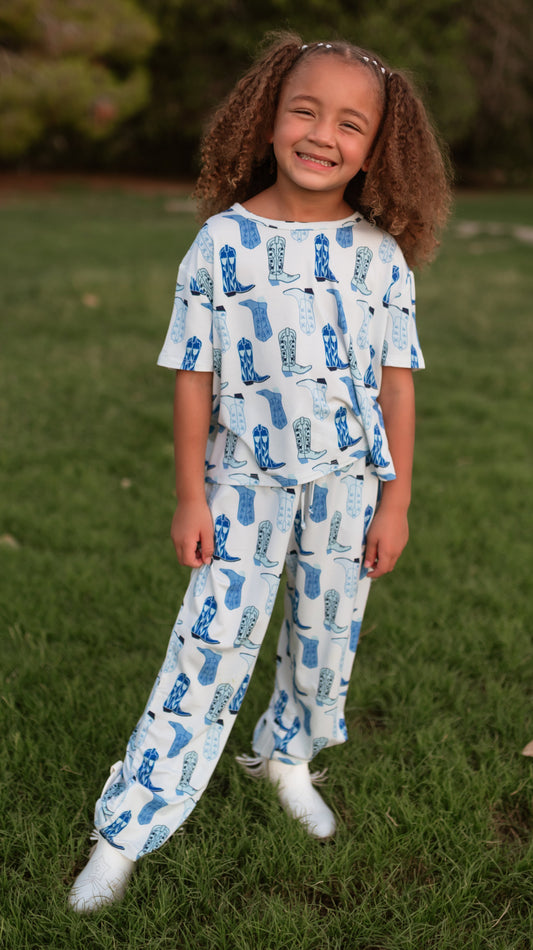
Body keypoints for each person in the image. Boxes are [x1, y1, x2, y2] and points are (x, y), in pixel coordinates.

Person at [68, 32, 451, 912]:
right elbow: (192, 377)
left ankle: (286, 756)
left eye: (350, 124)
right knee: (207, 649)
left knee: (323, 644)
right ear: (268, 118)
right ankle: (126, 826)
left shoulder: (378, 256)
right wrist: (191, 493)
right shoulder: (220, 245)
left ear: (377, 145)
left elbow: (397, 388)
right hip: (241, 480)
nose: (323, 135)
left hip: (349, 486)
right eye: (305, 111)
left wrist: (395, 503)